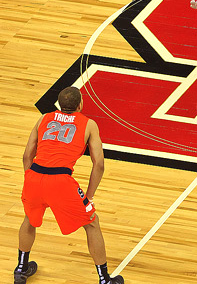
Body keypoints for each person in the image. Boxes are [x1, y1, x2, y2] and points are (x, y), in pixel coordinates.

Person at [15, 86, 124, 284]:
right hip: (60, 181)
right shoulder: (89, 124)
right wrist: (89, 196)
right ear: (80, 104)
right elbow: (98, 164)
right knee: (92, 223)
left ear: (59, 104)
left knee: (29, 218)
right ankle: (104, 279)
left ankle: (21, 268)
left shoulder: (44, 118)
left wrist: (32, 181)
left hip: (34, 176)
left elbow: (26, 156)